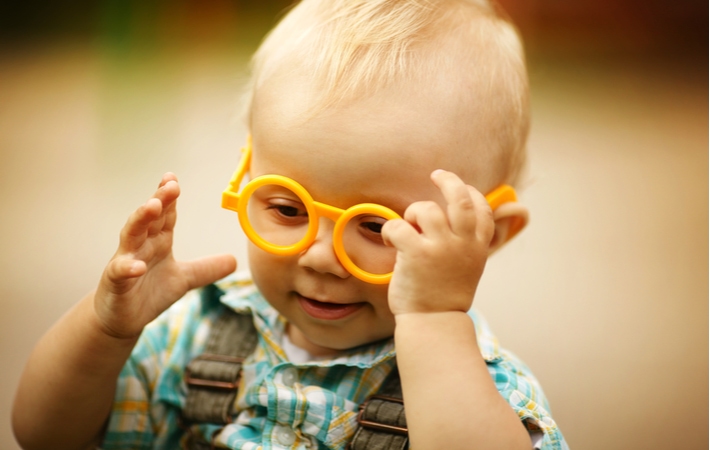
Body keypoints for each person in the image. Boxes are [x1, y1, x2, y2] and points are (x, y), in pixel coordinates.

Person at [12, 0, 568, 449]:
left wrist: (434, 319)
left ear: (488, 234)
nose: (320, 256)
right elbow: (44, 434)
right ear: (247, 176)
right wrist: (106, 330)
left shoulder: (482, 395)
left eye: (376, 226)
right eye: (288, 209)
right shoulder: (197, 336)